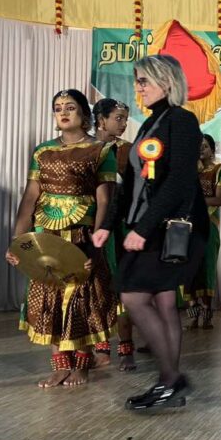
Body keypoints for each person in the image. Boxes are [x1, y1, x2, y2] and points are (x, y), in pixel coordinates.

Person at [95, 55, 208, 412]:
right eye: (138, 81)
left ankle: (171, 380)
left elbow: (179, 182)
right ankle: (169, 385)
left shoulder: (182, 120)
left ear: (167, 82)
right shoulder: (150, 124)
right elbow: (129, 184)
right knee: (163, 301)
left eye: (144, 81)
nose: (138, 88)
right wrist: (106, 225)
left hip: (167, 229)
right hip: (150, 225)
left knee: (132, 295)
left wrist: (143, 229)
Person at [6, 89, 119, 388]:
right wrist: (18, 241)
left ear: (84, 113)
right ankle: (59, 366)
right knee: (49, 298)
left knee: (81, 300)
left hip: (82, 235)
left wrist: (97, 242)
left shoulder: (101, 150)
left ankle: (82, 364)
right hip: (46, 236)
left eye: (70, 107)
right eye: (58, 108)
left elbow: (104, 200)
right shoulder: (42, 151)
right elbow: (30, 198)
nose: (63, 113)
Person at [91, 98, 137, 370]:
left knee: (122, 287)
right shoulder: (85, 148)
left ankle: (127, 348)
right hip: (89, 225)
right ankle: (100, 348)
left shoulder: (128, 150)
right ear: (101, 120)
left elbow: (135, 190)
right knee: (94, 288)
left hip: (119, 227)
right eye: (118, 118)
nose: (123, 124)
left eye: (125, 119)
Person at [182, 135, 221, 330]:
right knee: (188, 271)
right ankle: (193, 316)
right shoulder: (188, 172)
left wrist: (193, 201)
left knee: (206, 268)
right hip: (187, 226)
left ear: (212, 150)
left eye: (205, 146)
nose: (201, 150)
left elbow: (219, 200)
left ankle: (207, 315)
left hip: (209, 224)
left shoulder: (220, 170)